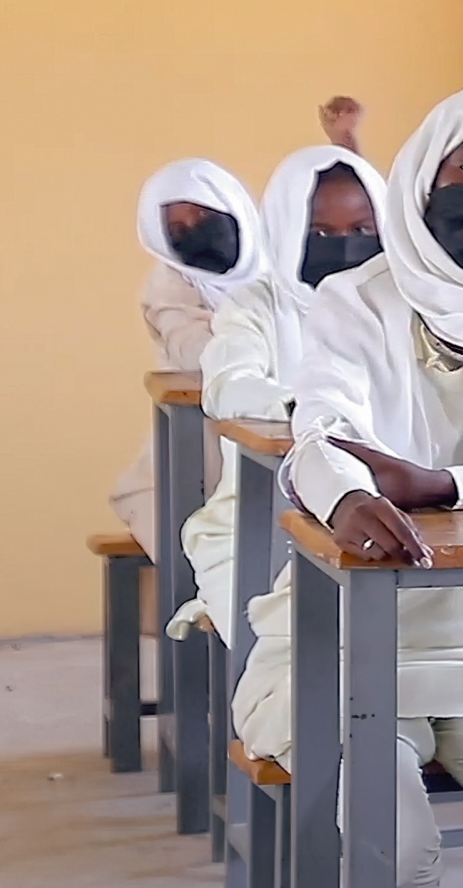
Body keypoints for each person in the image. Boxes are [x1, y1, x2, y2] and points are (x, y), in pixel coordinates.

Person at [231, 85, 463, 887]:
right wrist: (345, 496)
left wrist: (446, 486)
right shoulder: (354, 298)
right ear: (423, 178)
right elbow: (319, 440)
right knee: (397, 853)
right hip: (354, 656)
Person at [172, 144, 387, 638]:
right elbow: (227, 386)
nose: (344, 246)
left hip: (382, 518)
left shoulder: (401, 306)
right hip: (259, 528)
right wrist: (314, 410)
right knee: (289, 655)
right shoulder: (258, 305)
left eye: (361, 231)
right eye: (320, 232)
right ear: (287, 230)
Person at [116, 158, 267, 556]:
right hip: (202, 445)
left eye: (203, 214)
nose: (195, 230)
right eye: (178, 229)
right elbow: (196, 353)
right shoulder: (168, 284)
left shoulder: (280, 261)